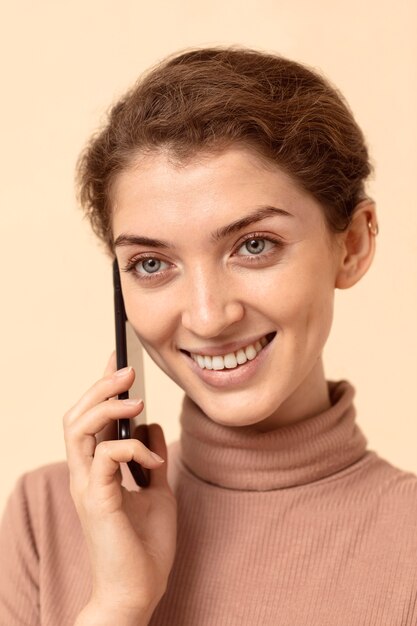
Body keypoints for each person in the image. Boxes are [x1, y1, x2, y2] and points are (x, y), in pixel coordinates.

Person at [0, 46, 416, 626]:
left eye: (254, 246)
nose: (207, 316)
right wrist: (117, 605)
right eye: (151, 263)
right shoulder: (45, 519)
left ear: (352, 245)